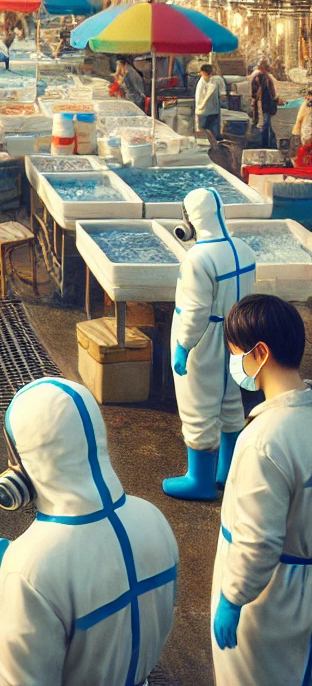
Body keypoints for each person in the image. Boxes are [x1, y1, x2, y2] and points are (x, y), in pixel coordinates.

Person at [0, 378, 178, 686]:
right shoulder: (154, 519)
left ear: (26, 462)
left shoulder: (30, 568)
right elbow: (100, 574)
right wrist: (0, 554)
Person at [212, 294, 312, 686]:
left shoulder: (264, 440)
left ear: (261, 353)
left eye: (236, 353)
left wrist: (233, 598)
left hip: (270, 601)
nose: (234, 364)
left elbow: (258, 542)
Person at [163, 187, 257, 500]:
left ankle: (200, 481)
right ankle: (226, 472)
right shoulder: (243, 249)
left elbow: (195, 312)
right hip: (236, 335)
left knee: (197, 405)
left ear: (190, 220)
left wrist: (183, 347)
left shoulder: (197, 259)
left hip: (205, 340)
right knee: (230, 400)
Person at [251, 59, 281, 149]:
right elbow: (257, 93)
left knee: (269, 124)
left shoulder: (266, 77)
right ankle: (264, 144)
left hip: (267, 103)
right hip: (264, 104)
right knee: (265, 124)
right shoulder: (260, 77)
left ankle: (269, 142)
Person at [195, 63, 222, 139]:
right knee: (204, 136)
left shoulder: (214, 82)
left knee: (214, 135)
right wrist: (200, 107)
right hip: (203, 112)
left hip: (213, 112)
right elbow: (199, 100)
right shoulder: (201, 84)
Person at [291, 86, 312, 166]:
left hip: (301, 133)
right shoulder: (308, 106)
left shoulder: (307, 104)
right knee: (301, 157)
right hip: (302, 134)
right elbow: (305, 125)